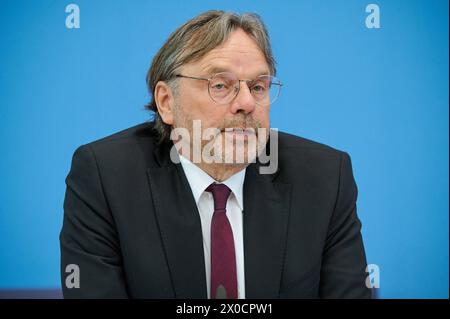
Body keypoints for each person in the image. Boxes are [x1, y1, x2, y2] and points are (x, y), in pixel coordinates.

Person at [60, 10, 371, 299]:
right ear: (167, 102)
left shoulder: (325, 178)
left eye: (259, 87)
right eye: (221, 85)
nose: (247, 103)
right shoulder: (105, 177)